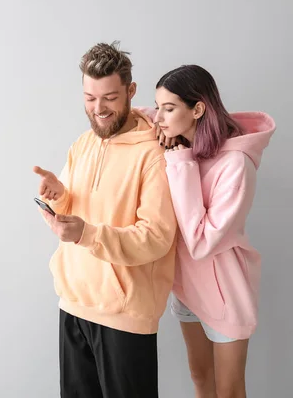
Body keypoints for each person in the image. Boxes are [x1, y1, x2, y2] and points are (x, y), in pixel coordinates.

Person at [33, 41, 178, 398]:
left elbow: (157, 236)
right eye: (89, 98)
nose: (98, 109)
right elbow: (80, 210)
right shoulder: (83, 143)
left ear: (130, 91)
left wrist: (88, 234)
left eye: (110, 98)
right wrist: (60, 194)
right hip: (73, 303)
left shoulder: (154, 154)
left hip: (124, 316)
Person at [151, 64, 276, 397]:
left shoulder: (236, 164)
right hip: (187, 289)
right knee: (199, 376)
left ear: (198, 109)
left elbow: (202, 242)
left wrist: (180, 164)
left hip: (226, 295)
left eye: (168, 108)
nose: (158, 118)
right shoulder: (181, 143)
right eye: (157, 106)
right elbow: (133, 115)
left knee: (229, 390)